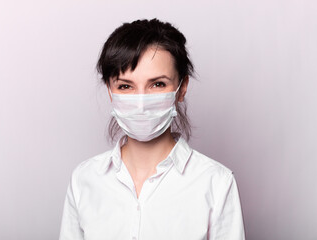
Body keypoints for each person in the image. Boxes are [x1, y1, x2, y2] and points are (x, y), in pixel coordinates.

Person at [59, 18, 245, 240]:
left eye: (157, 84)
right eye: (125, 86)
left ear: (182, 88)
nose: (140, 102)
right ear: (110, 91)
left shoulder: (216, 182)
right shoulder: (84, 179)